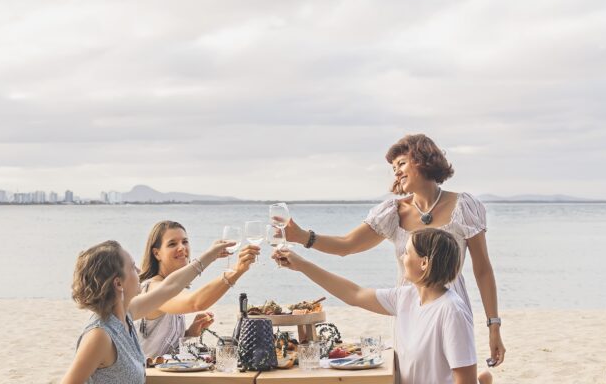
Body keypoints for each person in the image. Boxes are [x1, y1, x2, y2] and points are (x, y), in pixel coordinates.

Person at [279, 134, 505, 367]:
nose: (396, 172)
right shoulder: (393, 212)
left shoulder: (464, 206)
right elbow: (346, 245)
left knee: (456, 370)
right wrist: (302, 237)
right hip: (409, 307)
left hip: (452, 306)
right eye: (393, 167)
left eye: (402, 163)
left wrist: (493, 325)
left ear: (423, 160)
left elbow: (483, 270)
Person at [274, 228, 492, 384]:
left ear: (424, 263)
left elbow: (464, 381)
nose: (401, 256)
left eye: (407, 252)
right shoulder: (405, 297)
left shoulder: (451, 310)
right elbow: (354, 294)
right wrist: (302, 265)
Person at [61, 238, 234, 384]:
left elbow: (171, 286)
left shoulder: (126, 314)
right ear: (118, 283)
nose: (139, 271)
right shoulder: (100, 335)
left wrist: (210, 255)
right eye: (132, 267)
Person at [136, 220, 262, 358]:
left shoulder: (173, 289)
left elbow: (161, 347)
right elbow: (195, 303)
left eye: (185, 242)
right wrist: (237, 270)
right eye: (172, 244)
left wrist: (190, 333)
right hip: (150, 378)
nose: (181, 248)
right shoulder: (152, 288)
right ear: (157, 253)